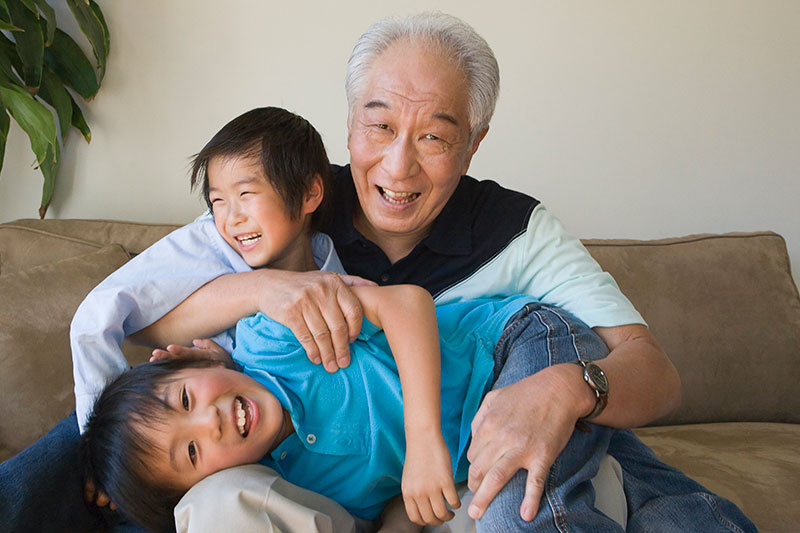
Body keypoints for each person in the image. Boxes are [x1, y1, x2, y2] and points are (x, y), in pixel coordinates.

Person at [0, 11, 755, 533]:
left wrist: (566, 387)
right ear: (350, 120)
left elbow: (654, 373)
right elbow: (146, 319)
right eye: (381, 125)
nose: (397, 165)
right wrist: (269, 286)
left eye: (433, 136)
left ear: (475, 142)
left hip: (477, 410)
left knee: (535, 486)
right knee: (117, 428)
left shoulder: (515, 230)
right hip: (295, 445)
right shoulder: (287, 199)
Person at [83, 290, 600, 532]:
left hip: (515, 346)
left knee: (521, 520)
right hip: (482, 443)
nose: (210, 421)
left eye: (185, 400)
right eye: (192, 451)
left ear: (194, 358)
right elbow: (397, 499)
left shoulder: (274, 338)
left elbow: (405, 304)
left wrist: (423, 440)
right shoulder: (295, 485)